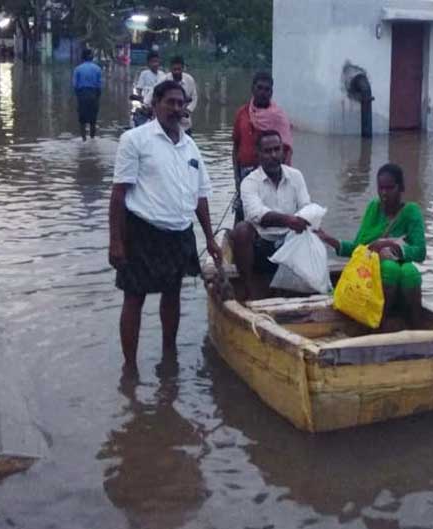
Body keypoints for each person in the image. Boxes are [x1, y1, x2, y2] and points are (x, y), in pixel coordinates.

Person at [109, 80, 222, 374]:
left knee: (173, 296)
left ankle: (168, 358)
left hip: (180, 233)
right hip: (141, 231)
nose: (176, 108)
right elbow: (119, 194)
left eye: (180, 103)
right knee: (134, 297)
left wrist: (210, 239)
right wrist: (116, 242)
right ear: (155, 104)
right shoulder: (134, 140)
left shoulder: (190, 145)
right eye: (170, 102)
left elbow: (201, 196)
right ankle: (130, 367)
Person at [318, 164, 426, 328]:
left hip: (402, 267)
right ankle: (378, 324)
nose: (384, 193)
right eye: (381, 188)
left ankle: (416, 326)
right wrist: (330, 240)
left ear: (401, 187)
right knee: (390, 269)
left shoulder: (411, 211)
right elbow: (359, 249)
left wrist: (390, 245)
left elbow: (420, 252)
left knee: (410, 272)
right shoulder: (373, 209)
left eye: (390, 188)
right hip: (372, 269)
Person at [232, 129, 311, 300]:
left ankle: (291, 291)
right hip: (261, 246)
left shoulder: (296, 176)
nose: (273, 155)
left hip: (289, 244)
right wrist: (289, 220)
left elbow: (306, 207)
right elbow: (257, 215)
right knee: (241, 230)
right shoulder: (249, 182)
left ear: (283, 151)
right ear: (258, 154)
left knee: (312, 231)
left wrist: (304, 220)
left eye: (277, 149)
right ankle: (247, 291)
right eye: (267, 151)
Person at [232, 72, 294, 222]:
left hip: (270, 176)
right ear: (253, 89)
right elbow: (236, 146)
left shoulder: (278, 116)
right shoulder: (242, 113)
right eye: (259, 88)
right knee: (242, 219)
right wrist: (237, 179)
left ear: (271, 92)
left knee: (268, 217)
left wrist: (280, 181)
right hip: (244, 174)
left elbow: (285, 151)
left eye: (267, 89)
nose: (263, 92)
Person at [144, 56, 197, 136]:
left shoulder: (189, 80)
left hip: (184, 122)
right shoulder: (164, 79)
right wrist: (146, 105)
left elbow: (194, 98)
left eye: (179, 69)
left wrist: (188, 111)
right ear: (170, 69)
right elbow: (153, 92)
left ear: (183, 68)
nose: (176, 72)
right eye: (174, 69)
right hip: (168, 120)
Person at [72, 49, 102, 141]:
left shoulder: (78, 69)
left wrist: (79, 96)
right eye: (92, 54)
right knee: (93, 119)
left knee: (82, 119)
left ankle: (83, 139)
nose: (93, 56)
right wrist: (97, 96)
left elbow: (75, 85)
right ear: (90, 56)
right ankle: (92, 139)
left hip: (82, 94)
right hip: (93, 94)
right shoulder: (97, 68)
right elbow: (99, 85)